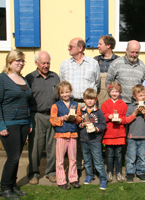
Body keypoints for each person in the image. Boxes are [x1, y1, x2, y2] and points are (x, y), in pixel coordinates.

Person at [0, 49, 32, 199]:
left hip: (23, 122)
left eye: (22, 61)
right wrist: (1, 125)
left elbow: (26, 101)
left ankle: (13, 185)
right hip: (9, 123)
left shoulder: (23, 79)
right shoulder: (1, 79)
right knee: (13, 157)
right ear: (10, 62)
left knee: (17, 156)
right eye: (18, 61)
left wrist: (28, 121)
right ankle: (4, 188)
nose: (21, 63)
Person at [59, 37, 100, 176]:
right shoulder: (64, 64)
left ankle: (90, 166)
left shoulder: (93, 63)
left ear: (80, 48)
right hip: (71, 104)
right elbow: (62, 85)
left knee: (88, 134)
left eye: (71, 46)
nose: (68, 48)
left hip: (87, 104)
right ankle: (75, 166)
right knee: (73, 136)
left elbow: (97, 84)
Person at [25, 51, 60, 185]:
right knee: (35, 147)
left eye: (48, 63)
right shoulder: (29, 78)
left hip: (52, 116)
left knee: (53, 146)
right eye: (43, 63)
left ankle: (51, 172)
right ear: (36, 63)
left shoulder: (55, 77)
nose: (46, 65)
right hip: (37, 116)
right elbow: (26, 100)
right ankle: (34, 173)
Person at [49, 81, 82, 190]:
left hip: (72, 135)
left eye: (67, 92)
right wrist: (62, 118)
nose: (65, 94)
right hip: (61, 135)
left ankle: (73, 179)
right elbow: (53, 120)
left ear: (70, 91)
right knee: (60, 160)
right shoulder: (56, 105)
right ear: (59, 93)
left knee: (73, 159)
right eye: (62, 93)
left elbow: (79, 118)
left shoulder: (75, 104)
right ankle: (61, 181)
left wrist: (75, 118)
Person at [79, 88, 107, 190]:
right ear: (84, 99)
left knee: (98, 161)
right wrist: (82, 124)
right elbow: (77, 123)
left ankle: (103, 179)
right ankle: (89, 175)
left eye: (92, 99)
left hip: (95, 140)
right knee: (86, 160)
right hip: (84, 140)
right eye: (87, 99)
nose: (90, 101)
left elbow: (103, 125)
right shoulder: (81, 111)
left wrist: (96, 129)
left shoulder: (98, 112)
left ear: (95, 100)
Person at [125, 84, 145, 183]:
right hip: (132, 136)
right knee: (131, 156)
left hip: (143, 136)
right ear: (135, 97)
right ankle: (130, 173)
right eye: (140, 95)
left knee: (142, 156)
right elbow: (127, 120)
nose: (143, 97)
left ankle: (141, 172)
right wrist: (135, 113)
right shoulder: (131, 107)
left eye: (144, 94)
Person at [101, 82, 127, 182]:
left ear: (120, 92)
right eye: (112, 91)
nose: (114, 93)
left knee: (119, 154)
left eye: (116, 91)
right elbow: (102, 117)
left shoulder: (123, 104)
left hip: (120, 133)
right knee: (110, 154)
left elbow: (125, 118)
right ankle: (109, 172)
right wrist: (108, 116)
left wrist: (120, 120)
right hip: (109, 134)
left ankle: (119, 172)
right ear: (109, 92)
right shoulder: (105, 104)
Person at [105, 40, 145, 104]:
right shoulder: (116, 63)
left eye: (137, 52)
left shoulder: (142, 65)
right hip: (119, 103)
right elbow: (108, 83)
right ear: (126, 50)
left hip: (135, 104)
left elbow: (142, 84)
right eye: (132, 52)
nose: (134, 55)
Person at [94, 35, 119, 108]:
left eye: (100, 44)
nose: (98, 46)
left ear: (108, 45)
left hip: (114, 97)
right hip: (99, 98)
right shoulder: (95, 60)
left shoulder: (118, 61)